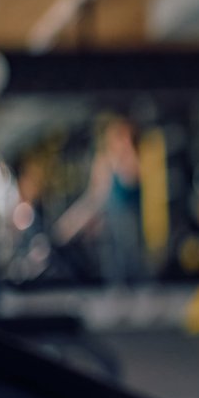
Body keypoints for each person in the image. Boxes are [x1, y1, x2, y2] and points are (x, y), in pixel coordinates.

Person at [52, 114, 146, 287]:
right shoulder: (103, 162)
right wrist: (71, 222)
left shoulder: (138, 159)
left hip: (134, 231)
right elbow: (94, 198)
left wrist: (126, 153)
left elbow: (132, 179)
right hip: (112, 233)